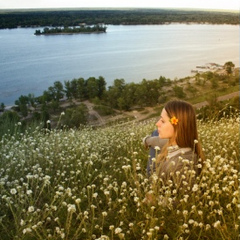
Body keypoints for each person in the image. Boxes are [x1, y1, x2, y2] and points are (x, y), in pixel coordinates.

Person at [143, 99, 204, 204]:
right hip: (162, 168)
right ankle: (148, 140)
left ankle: (148, 141)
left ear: (176, 125)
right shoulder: (176, 144)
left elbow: (187, 202)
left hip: (155, 177)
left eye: (162, 121)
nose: (157, 123)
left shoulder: (181, 166)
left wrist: (156, 201)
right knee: (155, 133)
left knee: (155, 135)